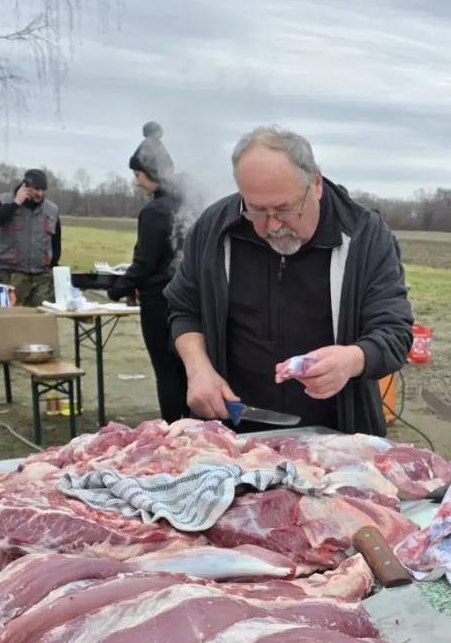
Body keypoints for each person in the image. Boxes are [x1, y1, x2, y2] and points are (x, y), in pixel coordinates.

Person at [164, 125, 414, 434]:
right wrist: (197, 368)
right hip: (232, 437)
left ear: (317, 184)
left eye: (285, 209)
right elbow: (184, 310)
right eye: (255, 210)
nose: (271, 226)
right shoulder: (215, 228)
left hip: (338, 438)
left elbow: (394, 334)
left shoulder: (365, 236)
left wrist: (352, 359)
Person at [108, 122, 190, 422]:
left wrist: (118, 288)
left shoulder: (156, 210)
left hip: (159, 302)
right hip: (188, 299)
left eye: (138, 175)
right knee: (187, 366)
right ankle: (194, 425)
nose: (136, 182)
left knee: (166, 370)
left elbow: (145, 263)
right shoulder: (188, 203)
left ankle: (173, 426)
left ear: (151, 174)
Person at [0, 167, 61, 307]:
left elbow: (56, 243)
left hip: (42, 277)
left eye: (43, 189)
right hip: (11, 274)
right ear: (25, 186)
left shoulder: (52, 210)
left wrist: (52, 266)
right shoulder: (4, 201)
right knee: (11, 321)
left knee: (42, 320)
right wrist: (16, 203)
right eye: (36, 189)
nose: (40, 194)